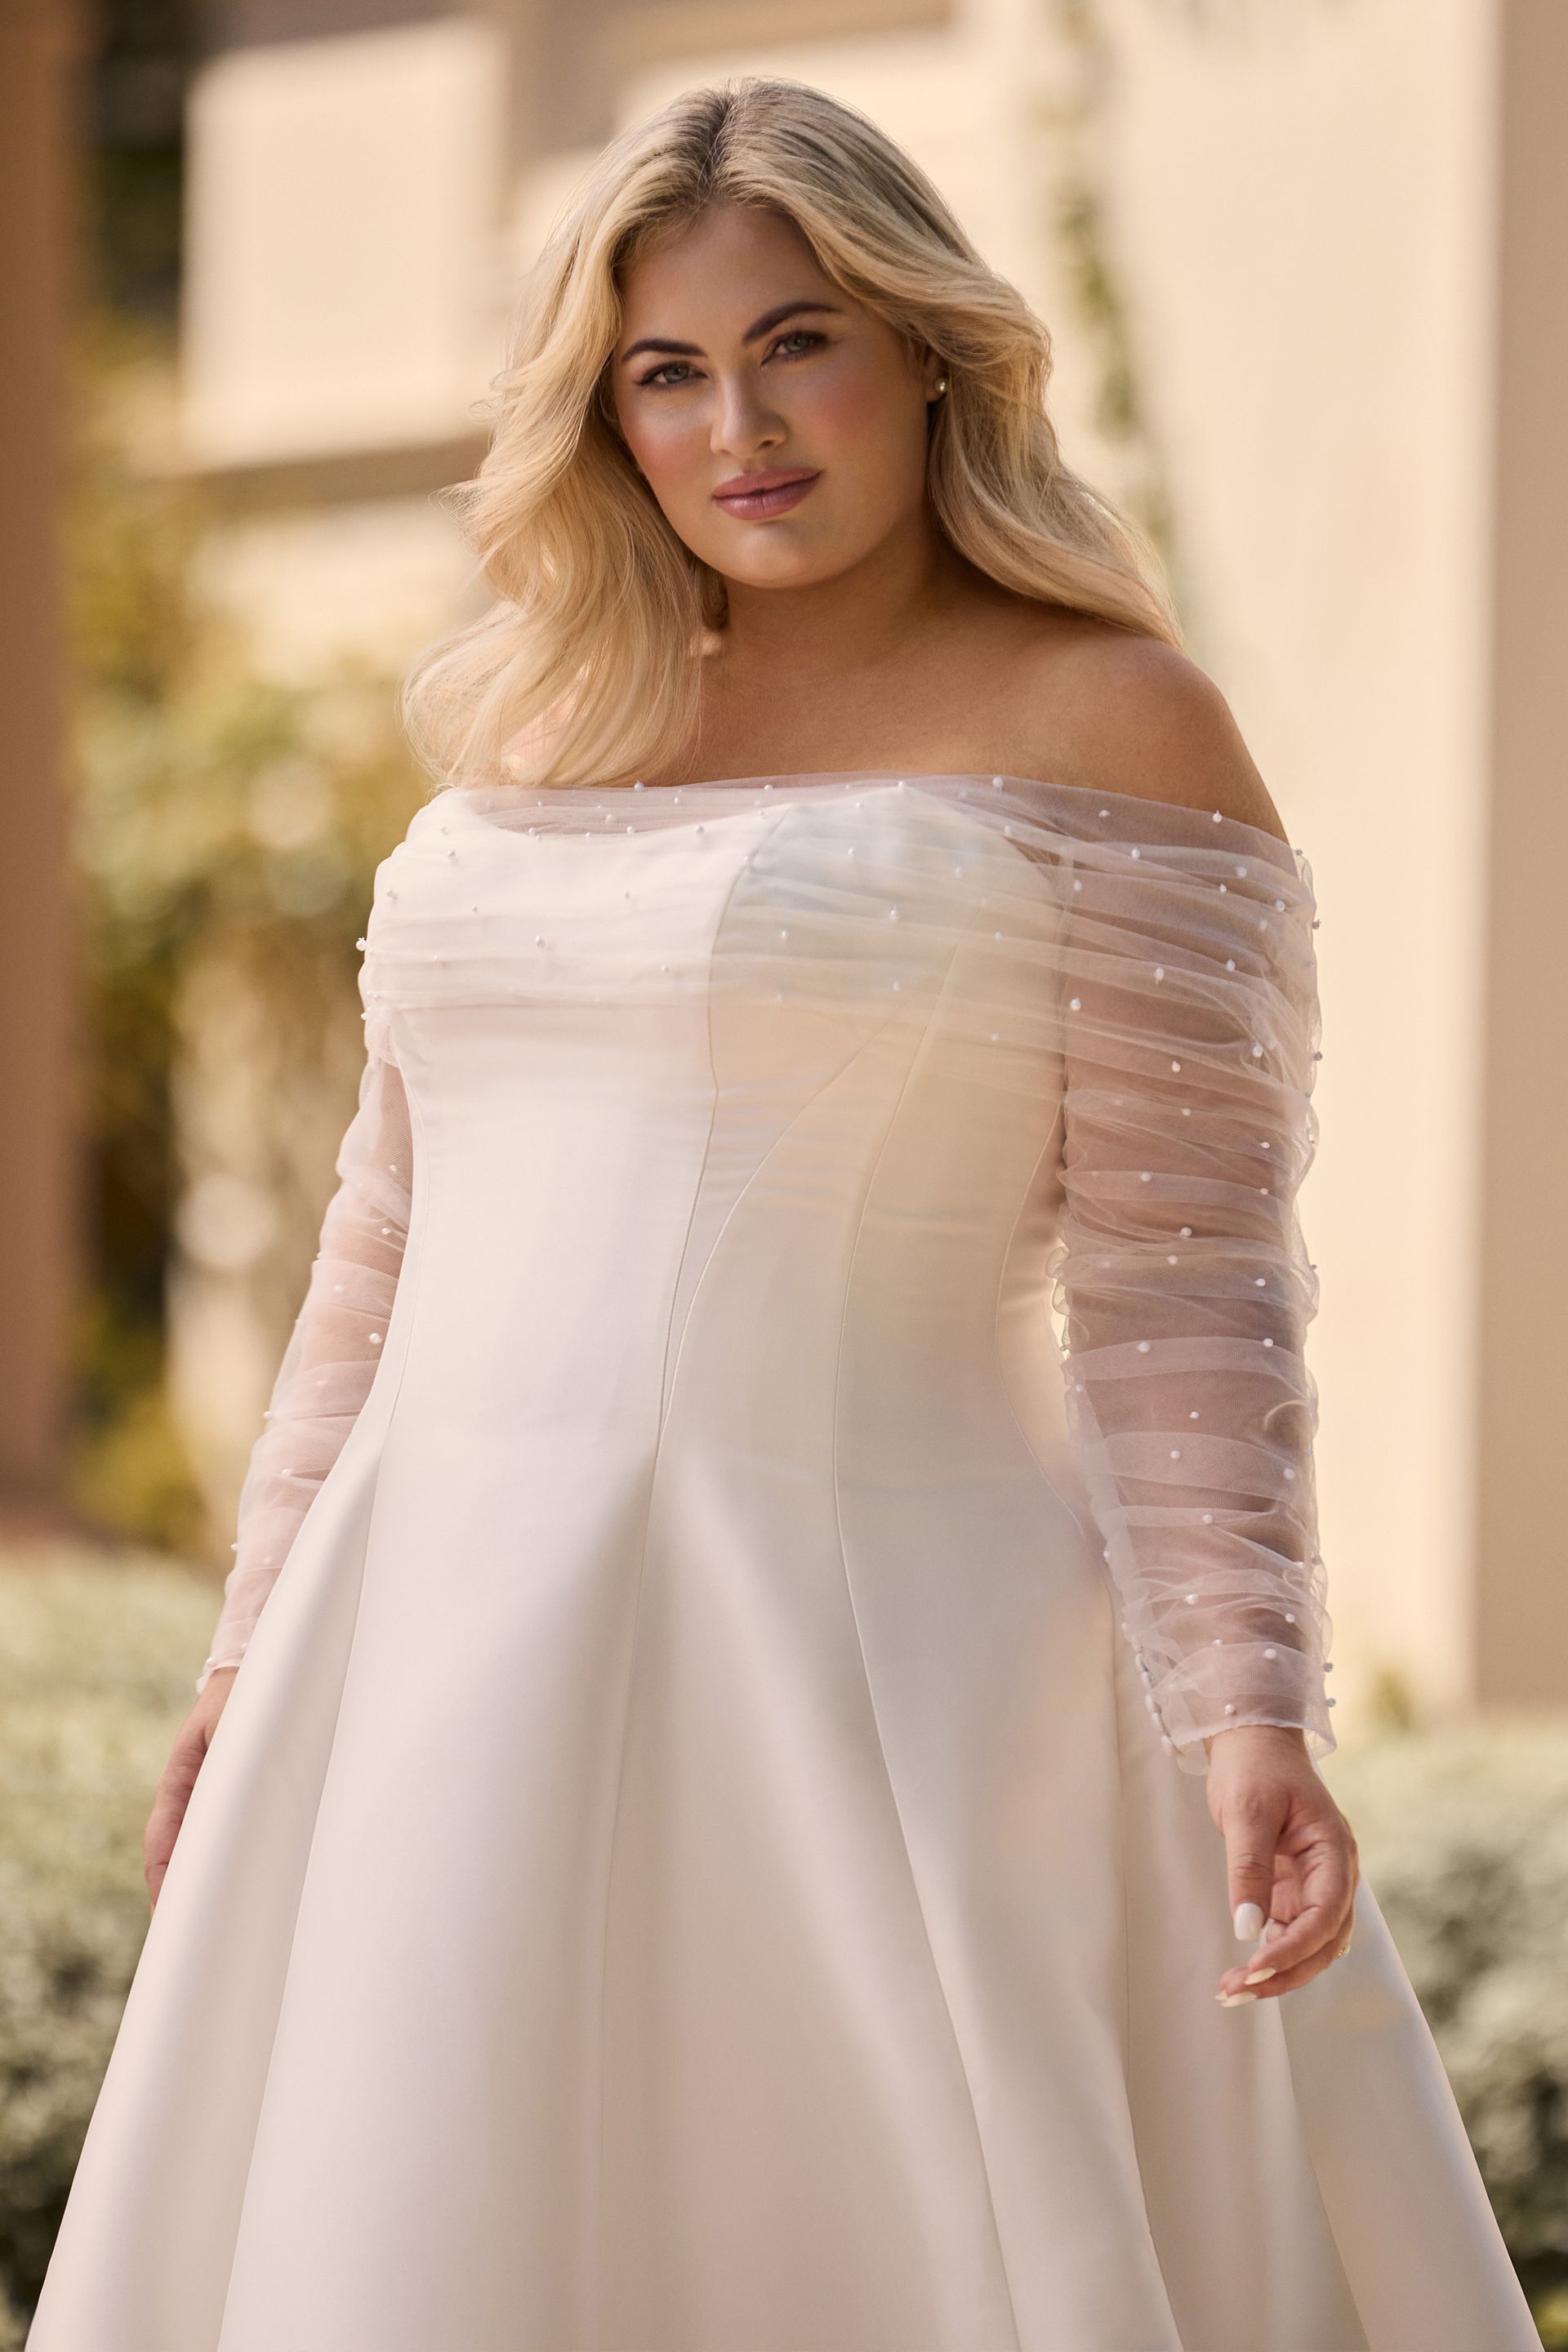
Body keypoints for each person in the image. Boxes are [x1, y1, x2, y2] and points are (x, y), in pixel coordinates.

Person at [31, 75, 1539, 2352]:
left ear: (930, 347)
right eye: (666, 371)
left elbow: (1183, 1276)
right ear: (603, 410)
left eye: (798, 341)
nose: (740, 424)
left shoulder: (1110, 716)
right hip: (431, 1645)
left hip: (869, 1639)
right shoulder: (544, 711)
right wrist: (258, 1636)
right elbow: (382, 1232)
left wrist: (1248, 1701)